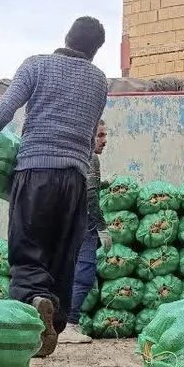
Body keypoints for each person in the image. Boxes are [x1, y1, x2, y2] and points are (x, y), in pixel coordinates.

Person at [0, 17, 108, 358]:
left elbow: (5, 109)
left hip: (35, 172)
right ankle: (51, 324)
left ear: (67, 36)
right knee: (62, 255)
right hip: (74, 179)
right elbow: (88, 138)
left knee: (28, 251)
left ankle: (33, 302)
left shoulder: (36, 65)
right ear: (95, 51)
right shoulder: (98, 81)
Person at [58, 120, 111, 344]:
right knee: (85, 274)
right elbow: (90, 195)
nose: (104, 140)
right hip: (84, 223)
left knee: (69, 273)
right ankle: (70, 324)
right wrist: (101, 228)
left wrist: (104, 183)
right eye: (100, 135)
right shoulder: (91, 157)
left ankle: (62, 324)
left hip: (68, 222)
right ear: (89, 136)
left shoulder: (74, 157)